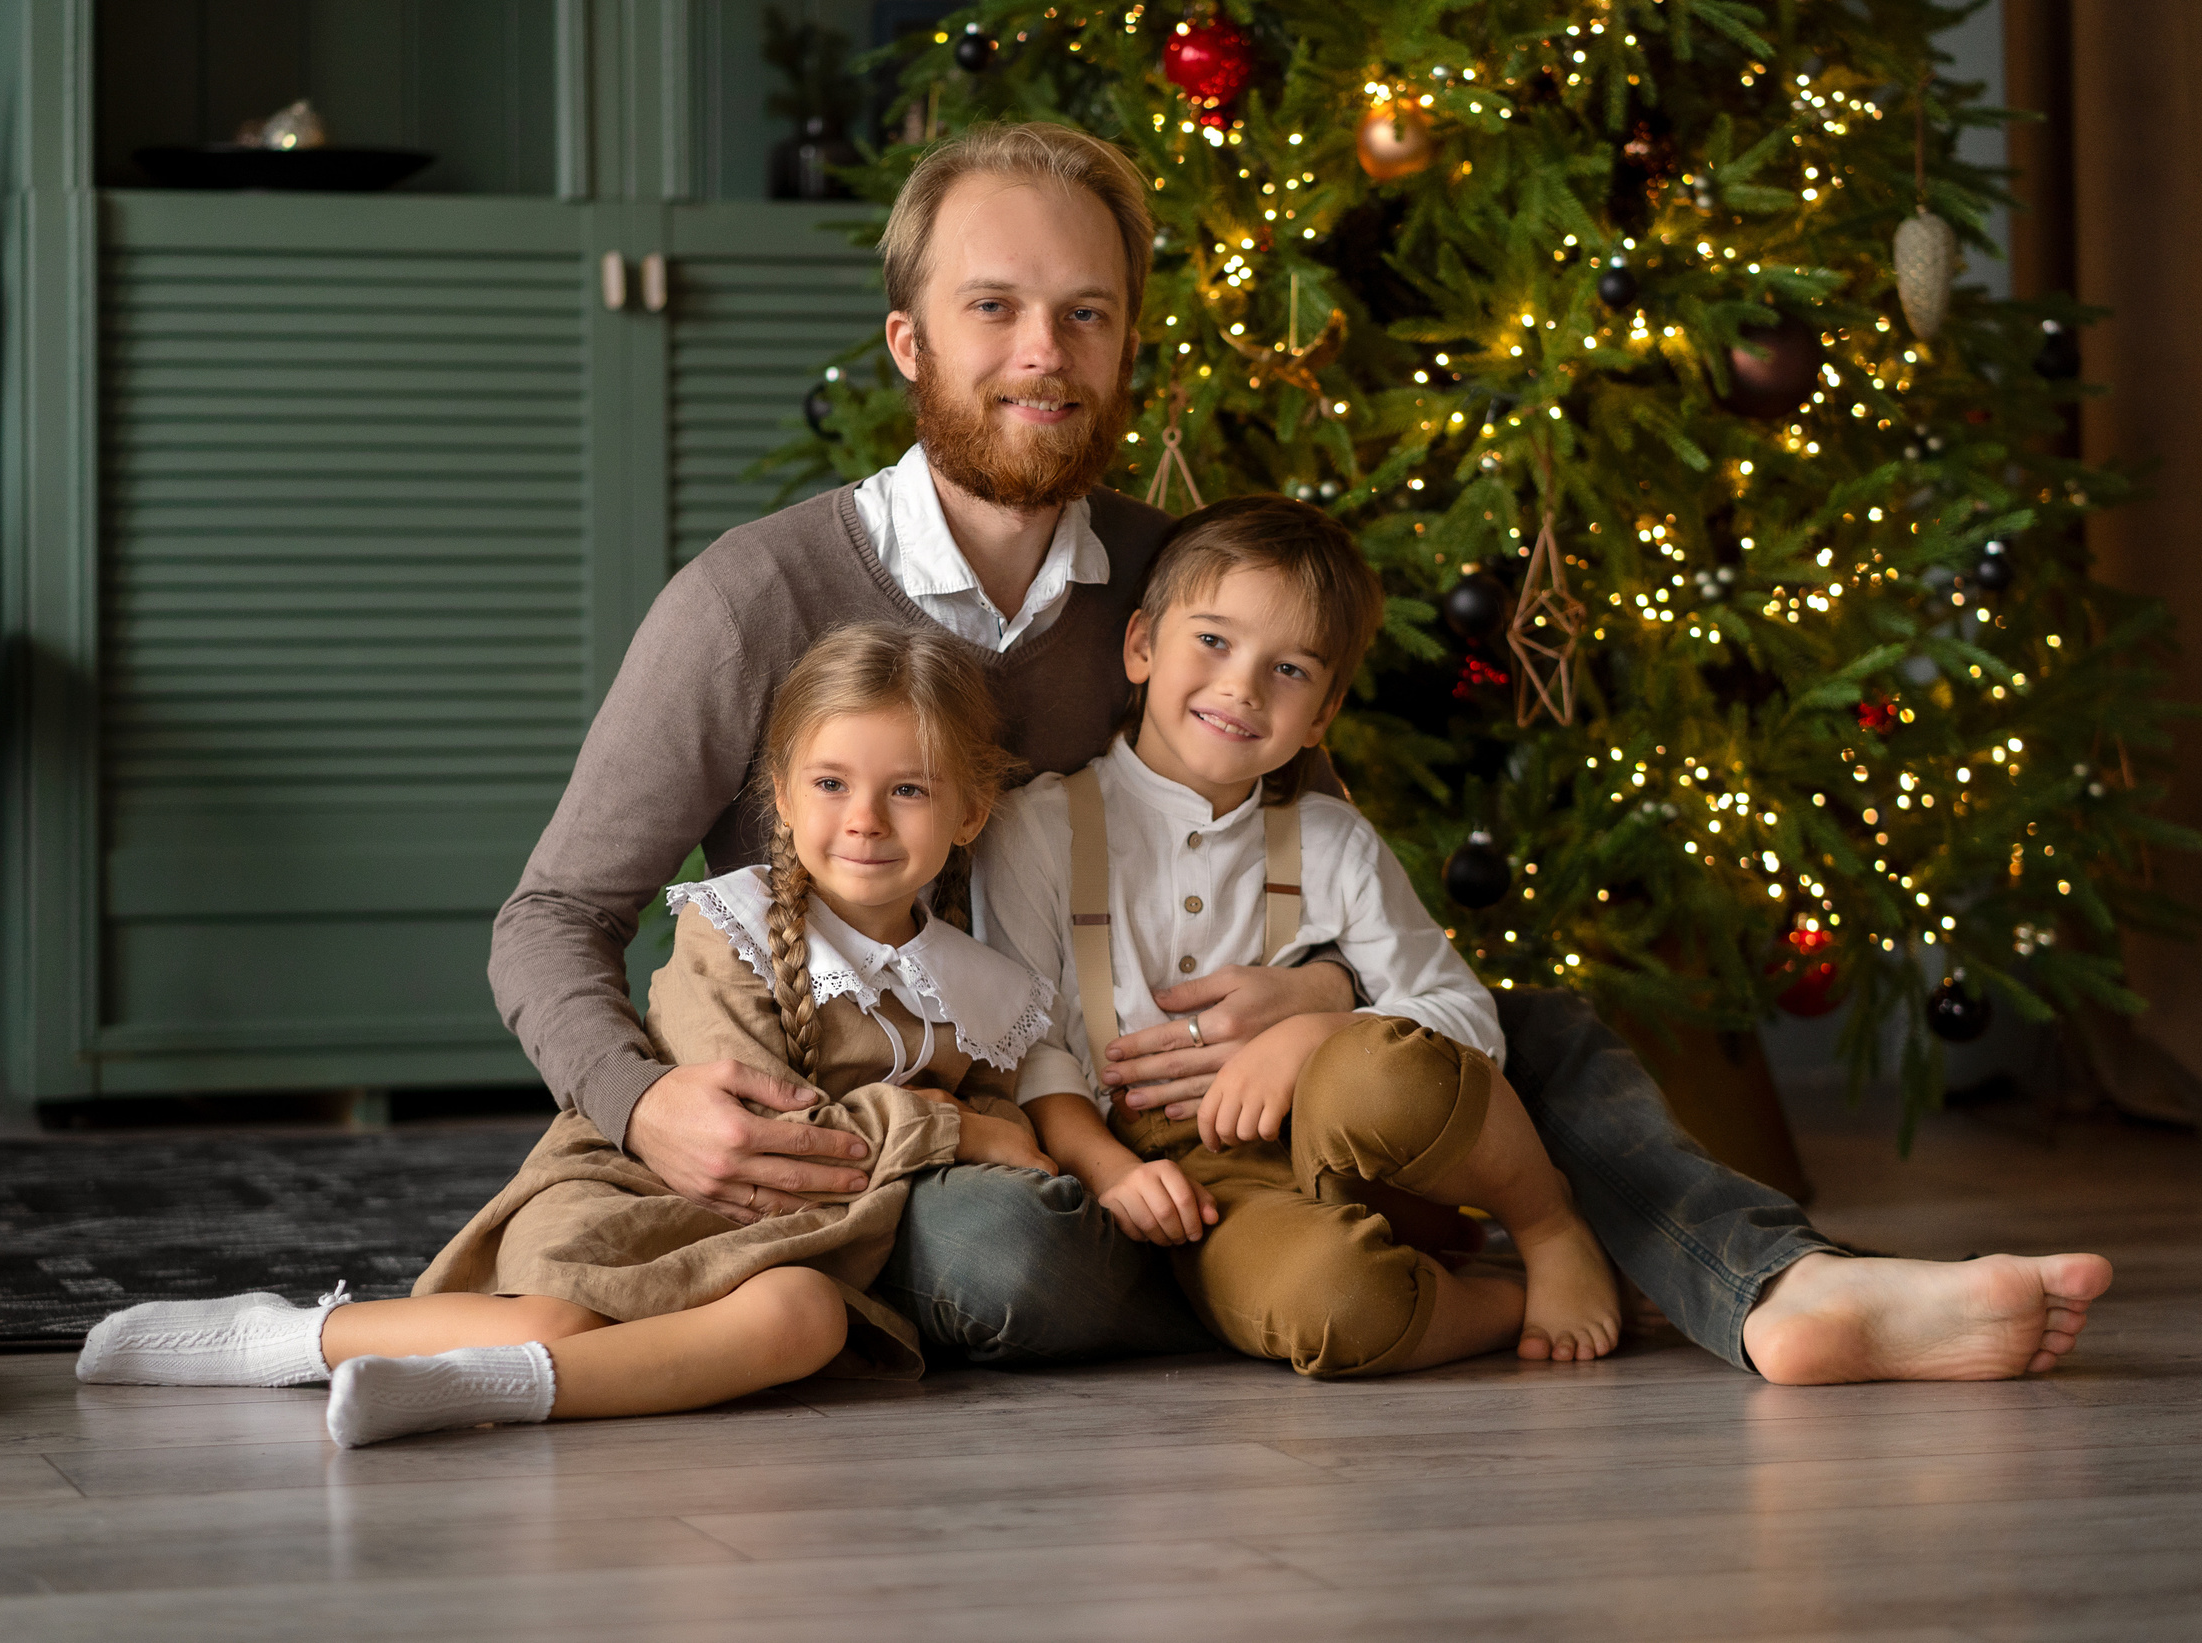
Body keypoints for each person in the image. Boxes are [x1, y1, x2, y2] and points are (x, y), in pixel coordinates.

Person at [486, 118, 2112, 1386]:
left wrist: (1319, 995)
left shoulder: (1179, 586)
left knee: (1527, 1035)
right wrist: (644, 1106)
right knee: (1003, 1265)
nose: (1041, 353)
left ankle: (1781, 1295)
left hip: (1223, 1091)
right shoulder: (754, 598)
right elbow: (550, 917)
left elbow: (1322, 863)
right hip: (957, 1132)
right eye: (992, 308)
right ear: (910, 340)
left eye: (1085, 313)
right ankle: (1339, 1282)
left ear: (1128, 348)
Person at [79, 624, 1063, 1446]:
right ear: (781, 790)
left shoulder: (979, 985)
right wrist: (943, 1129)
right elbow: (765, 1138)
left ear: (970, 809)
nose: (864, 822)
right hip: (648, 1193)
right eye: (832, 783)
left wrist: (981, 1121)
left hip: (790, 1257)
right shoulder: (732, 926)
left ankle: (476, 1387)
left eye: (908, 790)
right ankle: (290, 1340)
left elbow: (996, 1119)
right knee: (563, 1309)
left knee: (802, 1317)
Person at [982, 495, 1622, 1376]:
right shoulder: (1036, 830)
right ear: (1140, 646)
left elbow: (1465, 1020)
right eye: (1212, 640)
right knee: (1336, 1303)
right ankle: (1499, 1304)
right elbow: (1032, 1048)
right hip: (1199, 1186)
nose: (1242, 687)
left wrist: (1315, 1035)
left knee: (1385, 1064)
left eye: (1289, 670)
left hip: (1339, 1137)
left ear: (1321, 716)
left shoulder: (1331, 840)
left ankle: (1550, 1230)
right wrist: (1105, 1169)